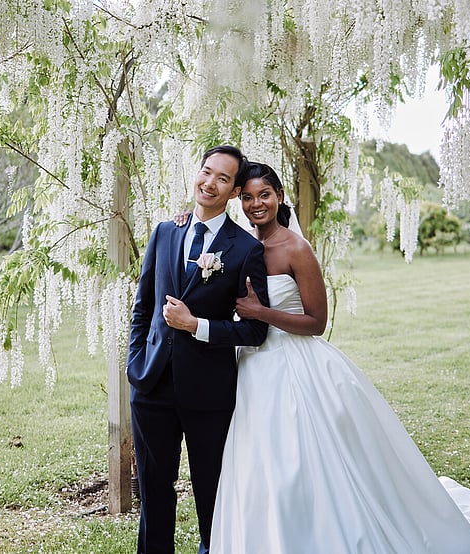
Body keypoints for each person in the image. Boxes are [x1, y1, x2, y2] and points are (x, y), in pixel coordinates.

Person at [202, 161, 470, 553]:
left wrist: (262, 313)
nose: (256, 204)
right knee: (261, 462)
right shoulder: (239, 245)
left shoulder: (296, 248)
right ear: (238, 200)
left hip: (296, 365)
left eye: (264, 195)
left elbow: (317, 322)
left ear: (280, 197)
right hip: (254, 367)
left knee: (308, 458)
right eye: (248, 197)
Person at [126, 145, 270, 554]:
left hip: (208, 391)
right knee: (154, 491)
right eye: (206, 172)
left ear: (235, 191)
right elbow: (143, 306)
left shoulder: (245, 249)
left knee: (211, 491)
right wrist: (136, 364)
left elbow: (256, 330)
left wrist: (197, 326)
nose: (209, 183)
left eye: (223, 179)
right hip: (151, 384)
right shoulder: (166, 231)